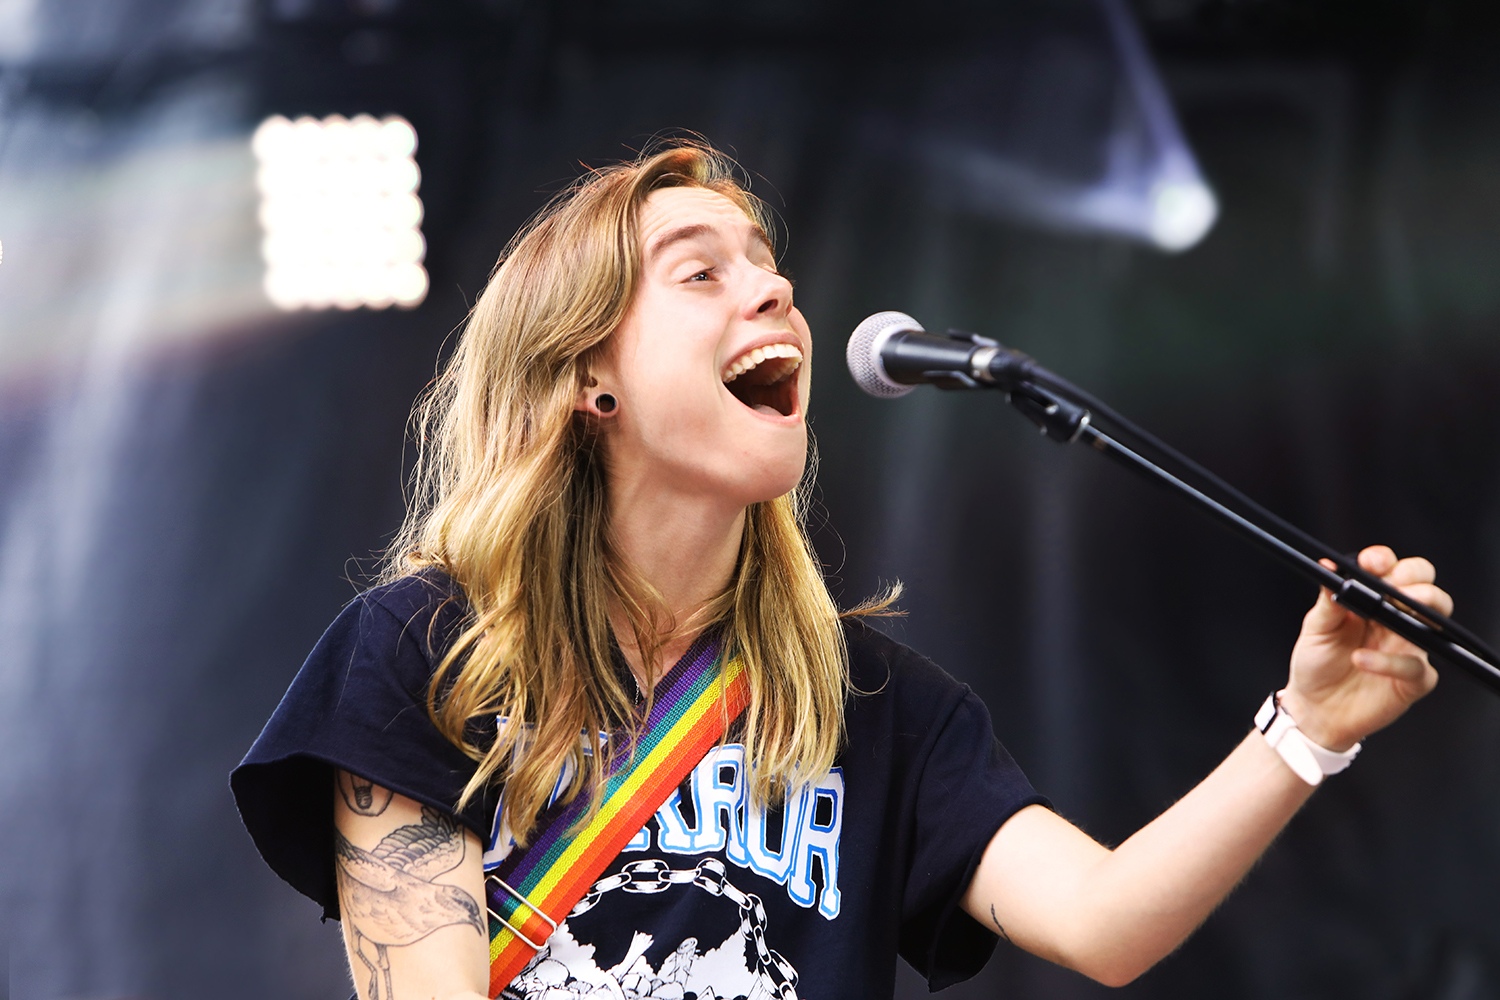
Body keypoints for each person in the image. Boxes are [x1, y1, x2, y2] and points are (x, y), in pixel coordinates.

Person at [231, 141, 1450, 1000]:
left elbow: (1107, 922)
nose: (775, 290)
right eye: (702, 272)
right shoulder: (425, 654)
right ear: (587, 379)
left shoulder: (877, 708)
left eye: (770, 267)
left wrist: (1307, 731)